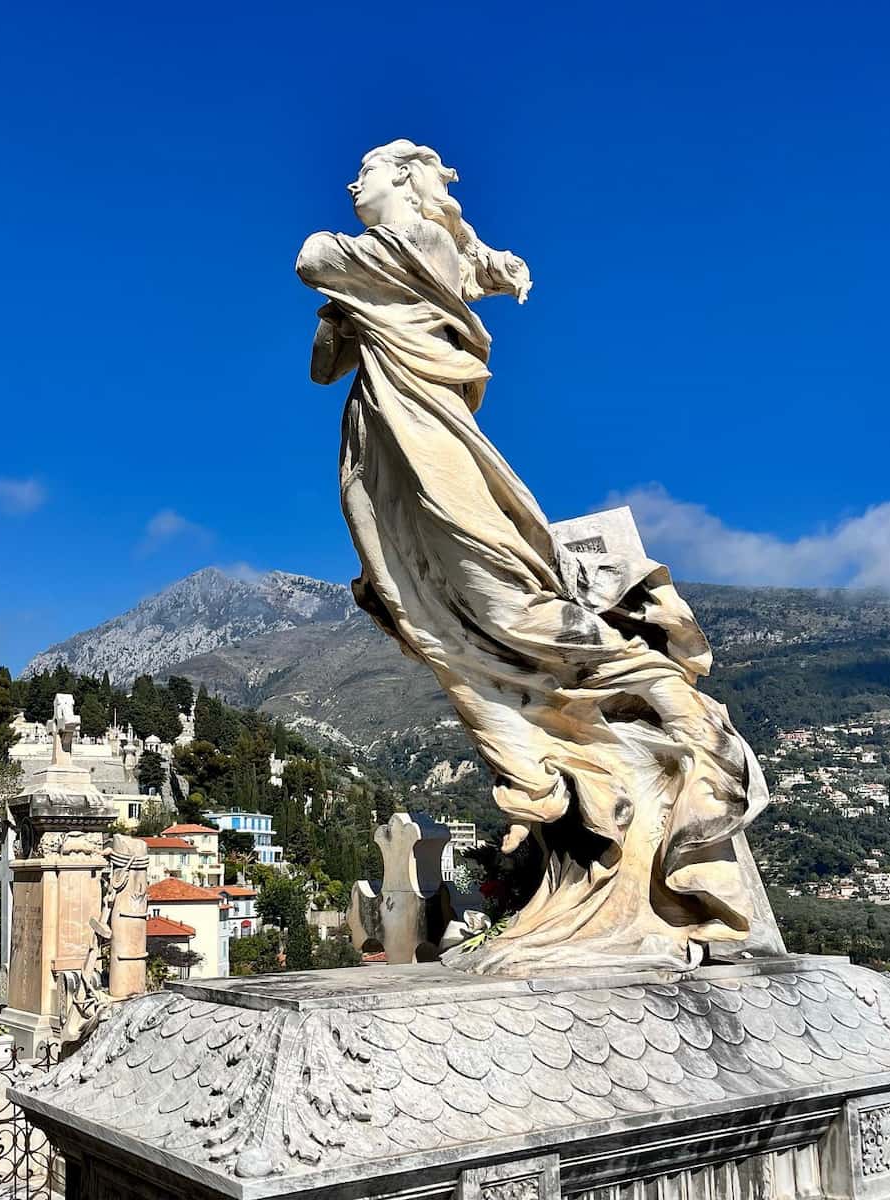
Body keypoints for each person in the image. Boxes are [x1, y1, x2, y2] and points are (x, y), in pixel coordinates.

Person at [296, 140, 769, 972]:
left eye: (364, 172)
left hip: (434, 449)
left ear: (405, 179)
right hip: (390, 448)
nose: (349, 183)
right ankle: (616, 759)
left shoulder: (411, 249)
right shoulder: (412, 259)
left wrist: (419, 281)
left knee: (509, 609)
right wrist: (468, 273)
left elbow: (316, 260)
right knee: (445, 620)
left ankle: (672, 710)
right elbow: (328, 356)